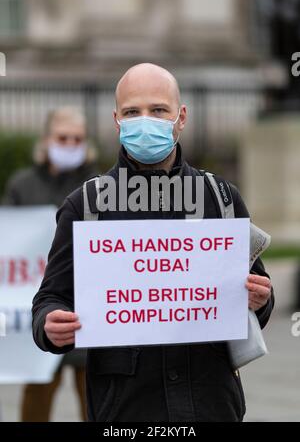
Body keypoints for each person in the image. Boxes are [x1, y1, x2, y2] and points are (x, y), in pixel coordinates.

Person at [32, 64, 274, 422]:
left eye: (158, 110)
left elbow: (257, 297)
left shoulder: (220, 198)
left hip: (209, 405)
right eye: (132, 112)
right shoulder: (84, 206)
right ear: (117, 120)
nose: (145, 121)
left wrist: (261, 298)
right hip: (127, 409)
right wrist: (48, 325)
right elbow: (50, 298)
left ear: (181, 117)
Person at [3, 107, 98, 421]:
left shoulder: (101, 186)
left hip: (90, 312)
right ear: (47, 140)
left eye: (77, 139)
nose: (70, 144)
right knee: (37, 398)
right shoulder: (23, 184)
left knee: (95, 396)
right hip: (40, 310)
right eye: (63, 138)